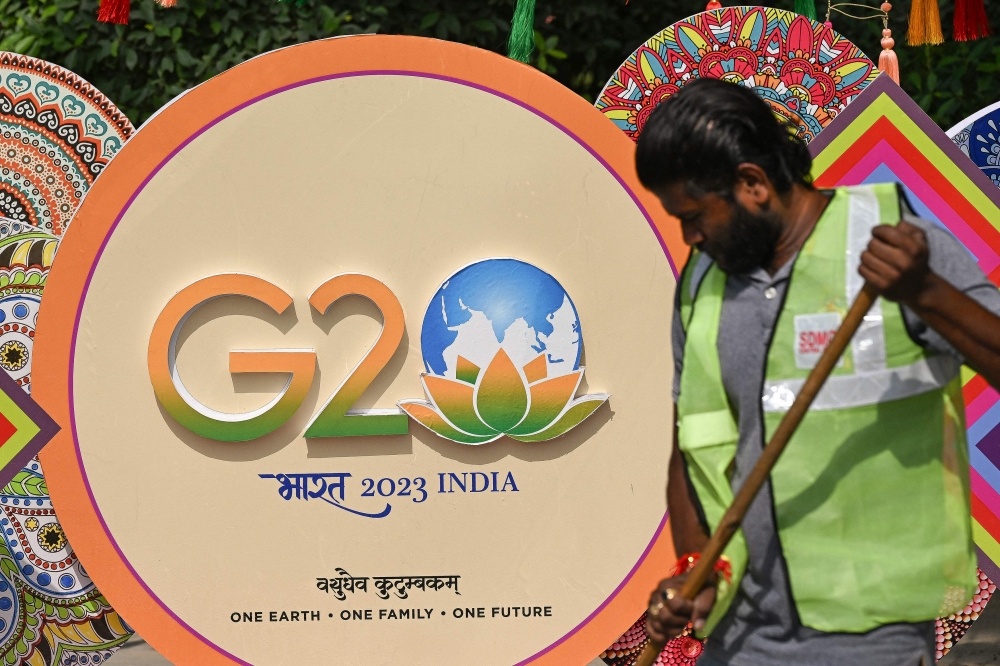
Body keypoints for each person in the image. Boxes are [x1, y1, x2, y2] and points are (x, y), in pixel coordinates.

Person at [636, 77, 1000, 666]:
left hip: (873, 639)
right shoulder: (701, 283)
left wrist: (925, 292)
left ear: (753, 184)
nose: (690, 237)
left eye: (696, 215)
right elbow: (691, 444)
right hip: (740, 641)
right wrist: (694, 569)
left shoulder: (895, 242)